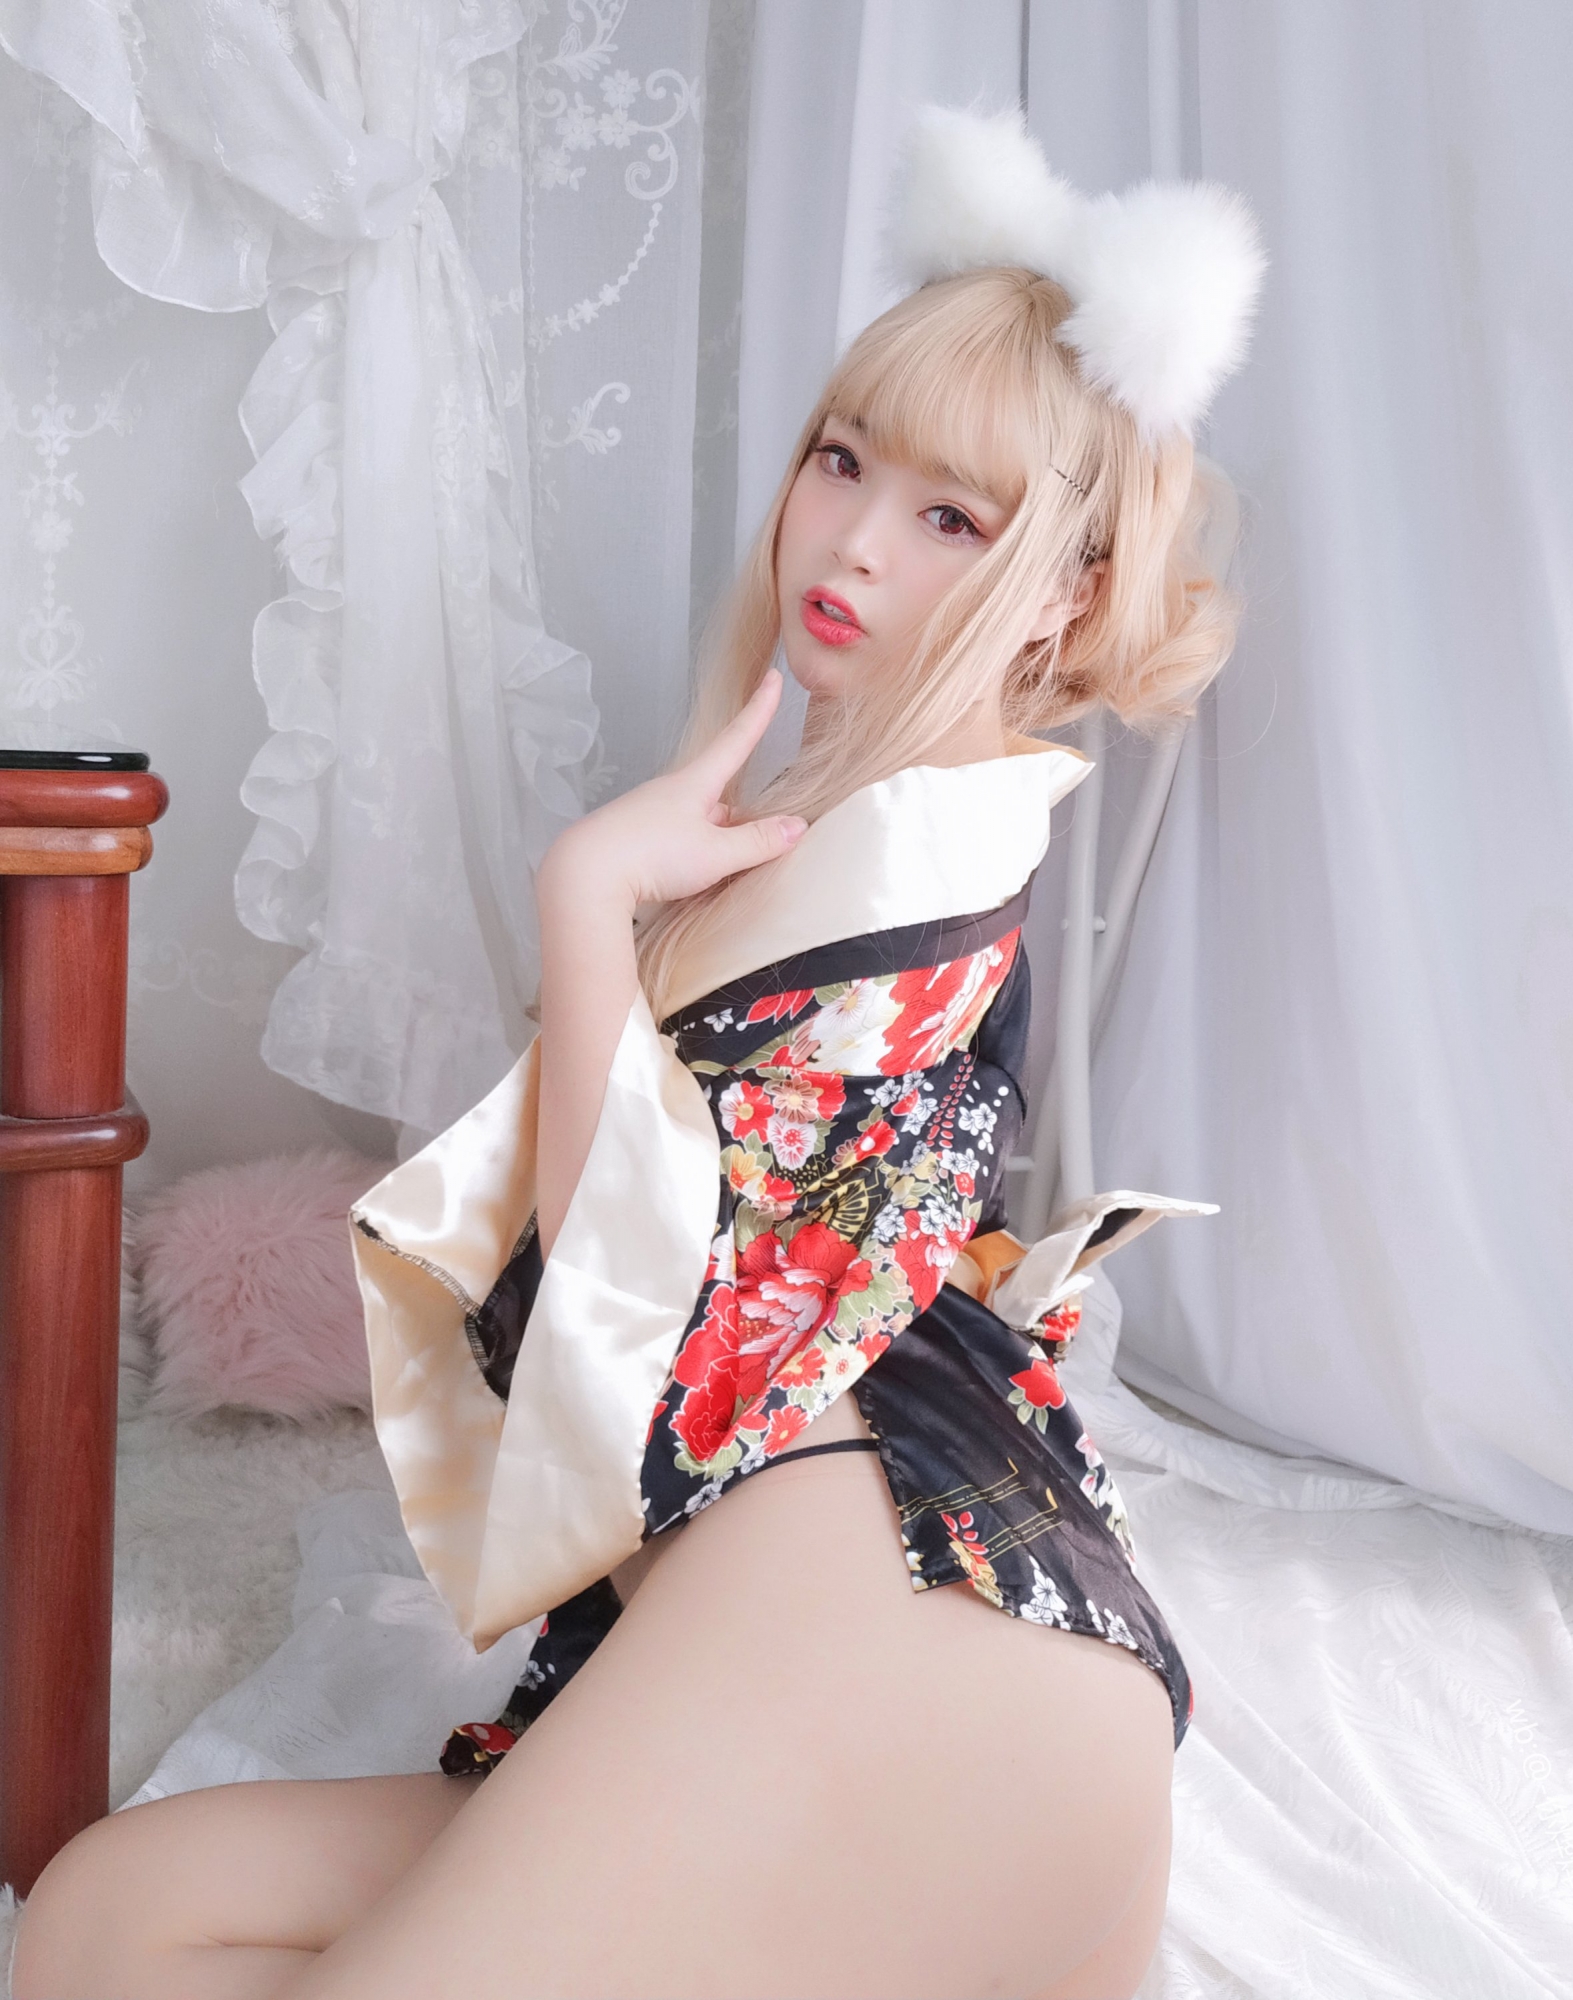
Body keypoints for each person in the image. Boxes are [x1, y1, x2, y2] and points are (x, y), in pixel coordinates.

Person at [13, 107, 1261, 2000]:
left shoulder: (915, 868)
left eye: (952, 517)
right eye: (843, 459)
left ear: (1068, 592)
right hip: (846, 1624)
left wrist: (586, 895)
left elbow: (634, 1339)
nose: (850, 541)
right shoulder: (836, 832)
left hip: (924, 1635)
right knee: (106, 1919)